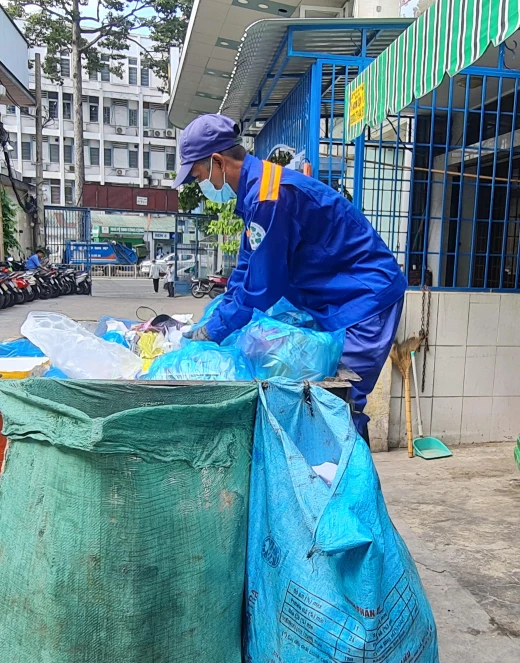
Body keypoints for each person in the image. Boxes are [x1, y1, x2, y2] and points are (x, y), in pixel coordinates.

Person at [174, 114, 406, 440]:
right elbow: (246, 268)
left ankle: (351, 488)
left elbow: (263, 287)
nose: (201, 186)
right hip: (340, 299)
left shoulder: (269, 196)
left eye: (198, 176)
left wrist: (213, 330)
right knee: (323, 404)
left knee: (336, 404)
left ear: (217, 161)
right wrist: (213, 322)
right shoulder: (259, 193)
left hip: (365, 298)